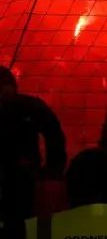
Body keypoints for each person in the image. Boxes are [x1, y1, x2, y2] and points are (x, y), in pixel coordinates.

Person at [1, 65, 66, 229]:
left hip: (26, 177)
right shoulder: (31, 106)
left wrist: (52, 171)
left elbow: (55, 136)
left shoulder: (30, 107)